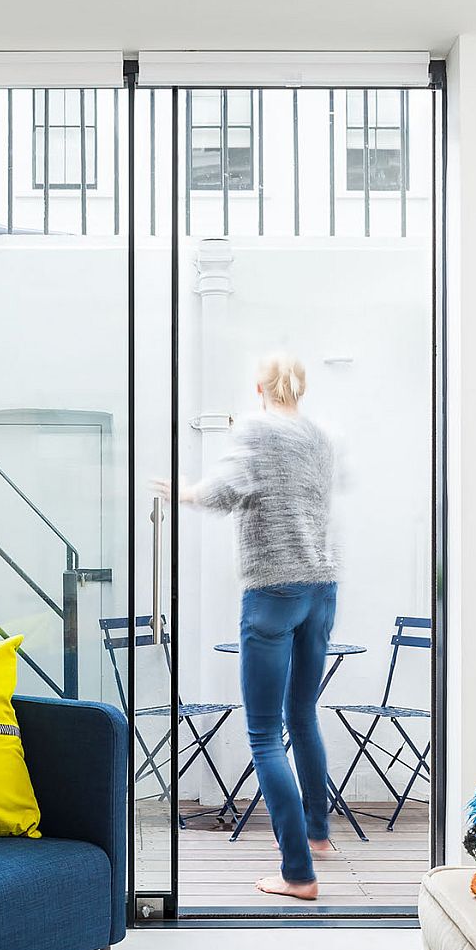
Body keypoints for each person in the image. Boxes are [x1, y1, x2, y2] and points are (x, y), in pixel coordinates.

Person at [154, 353, 340, 899]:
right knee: (302, 712)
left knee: (263, 733)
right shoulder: (320, 435)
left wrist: (183, 491)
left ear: (259, 386)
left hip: (273, 590)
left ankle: (298, 873)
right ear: (300, 389)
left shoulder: (257, 428)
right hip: (322, 587)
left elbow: (225, 491)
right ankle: (319, 833)